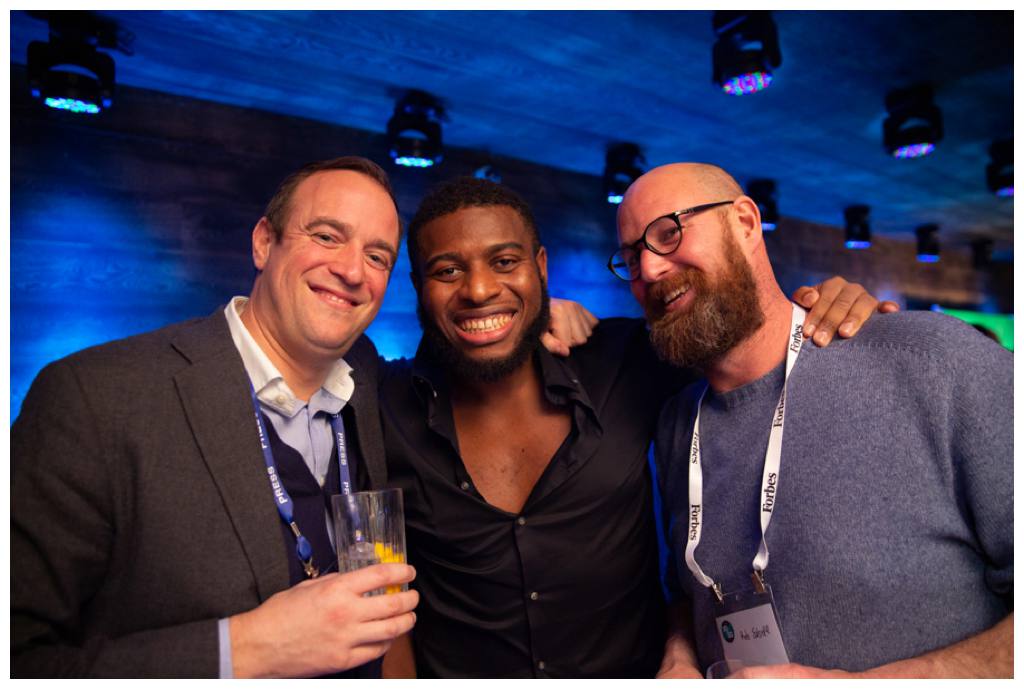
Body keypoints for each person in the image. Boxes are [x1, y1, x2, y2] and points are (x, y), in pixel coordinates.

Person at [377, 177, 891, 678]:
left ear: (540, 268)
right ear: (418, 286)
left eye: (505, 262)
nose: (480, 289)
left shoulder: (627, 360)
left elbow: (745, 341)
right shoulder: (382, 407)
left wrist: (829, 307)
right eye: (446, 270)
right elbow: (386, 603)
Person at [11, 157, 419, 678]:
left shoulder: (365, 377)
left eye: (377, 256)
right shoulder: (95, 399)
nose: (352, 270)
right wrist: (248, 648)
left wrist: (547, 318)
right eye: (326, 236)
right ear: (264, 242)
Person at [614, 163, 1013, 678]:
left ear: (745, 222)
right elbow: (687, 590)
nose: (649, 270)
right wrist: (681, 652)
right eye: (630, 258)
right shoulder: (676, 425)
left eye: (668, 234)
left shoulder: (933, 361)